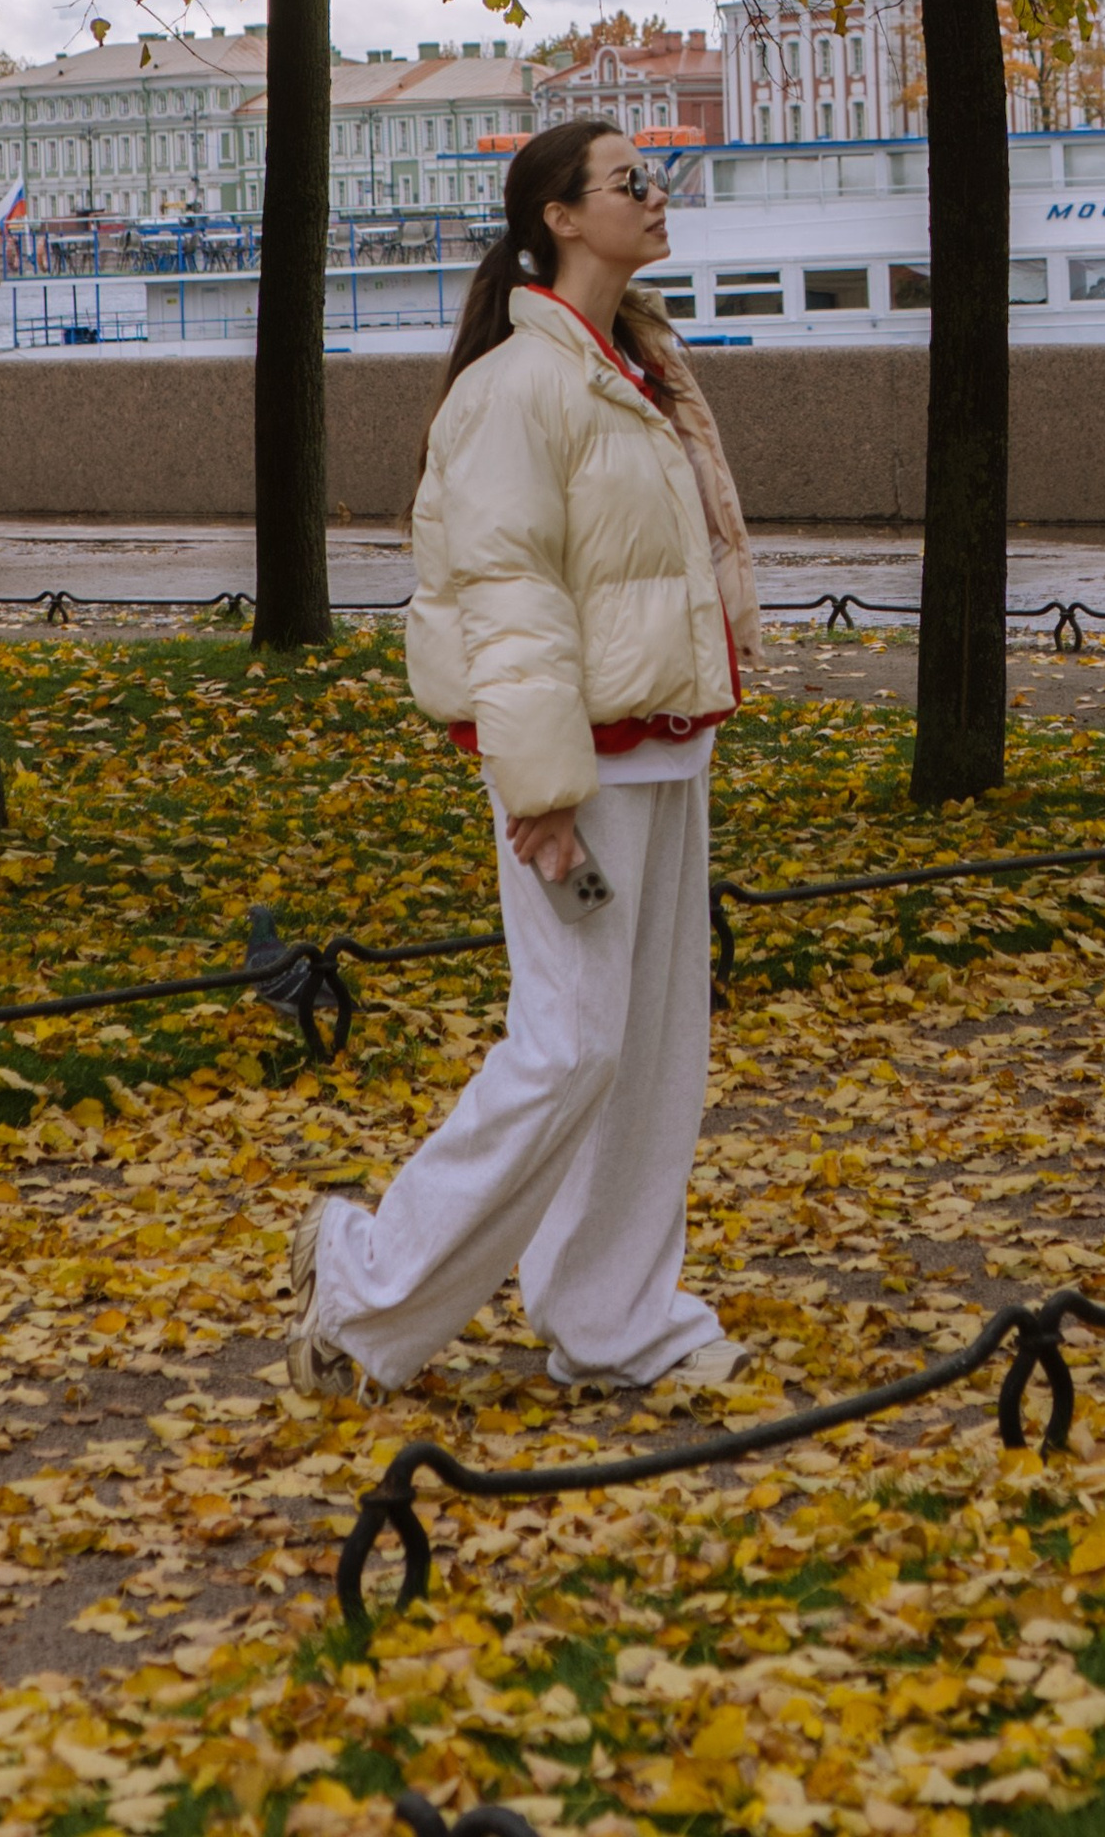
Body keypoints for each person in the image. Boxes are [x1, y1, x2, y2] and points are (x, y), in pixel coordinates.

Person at [284, 115, 763, 1400]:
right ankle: (364, 1279)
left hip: (664, 748)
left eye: (649, 179)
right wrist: (539, 794)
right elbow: (505, 597)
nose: (652, 198)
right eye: (626, 183)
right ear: (557, 215)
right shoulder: (518, 385)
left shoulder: (637, 364)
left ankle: (613, 1323)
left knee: (650, 1057)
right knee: (569, 1046)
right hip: (585, 771)